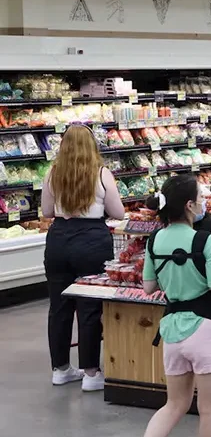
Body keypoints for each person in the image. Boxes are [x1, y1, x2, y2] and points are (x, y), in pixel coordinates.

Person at [129, 174, 211, 437]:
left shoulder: (155, 240)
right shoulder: (205, 241)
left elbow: (148, 287)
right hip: (206, 329)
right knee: (210, 411)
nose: (203, 203)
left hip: (172, 330)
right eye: (200, 198)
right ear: (189, 205)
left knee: (174, 404)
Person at [43, 124, 126, 391]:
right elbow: (119, 212)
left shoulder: (52, 173)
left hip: (58, 240)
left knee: (59, 307)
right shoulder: (102, 174)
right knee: (89, 307)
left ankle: (60, 369)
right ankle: (91, 373)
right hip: (92, 240)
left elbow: (46, 211)